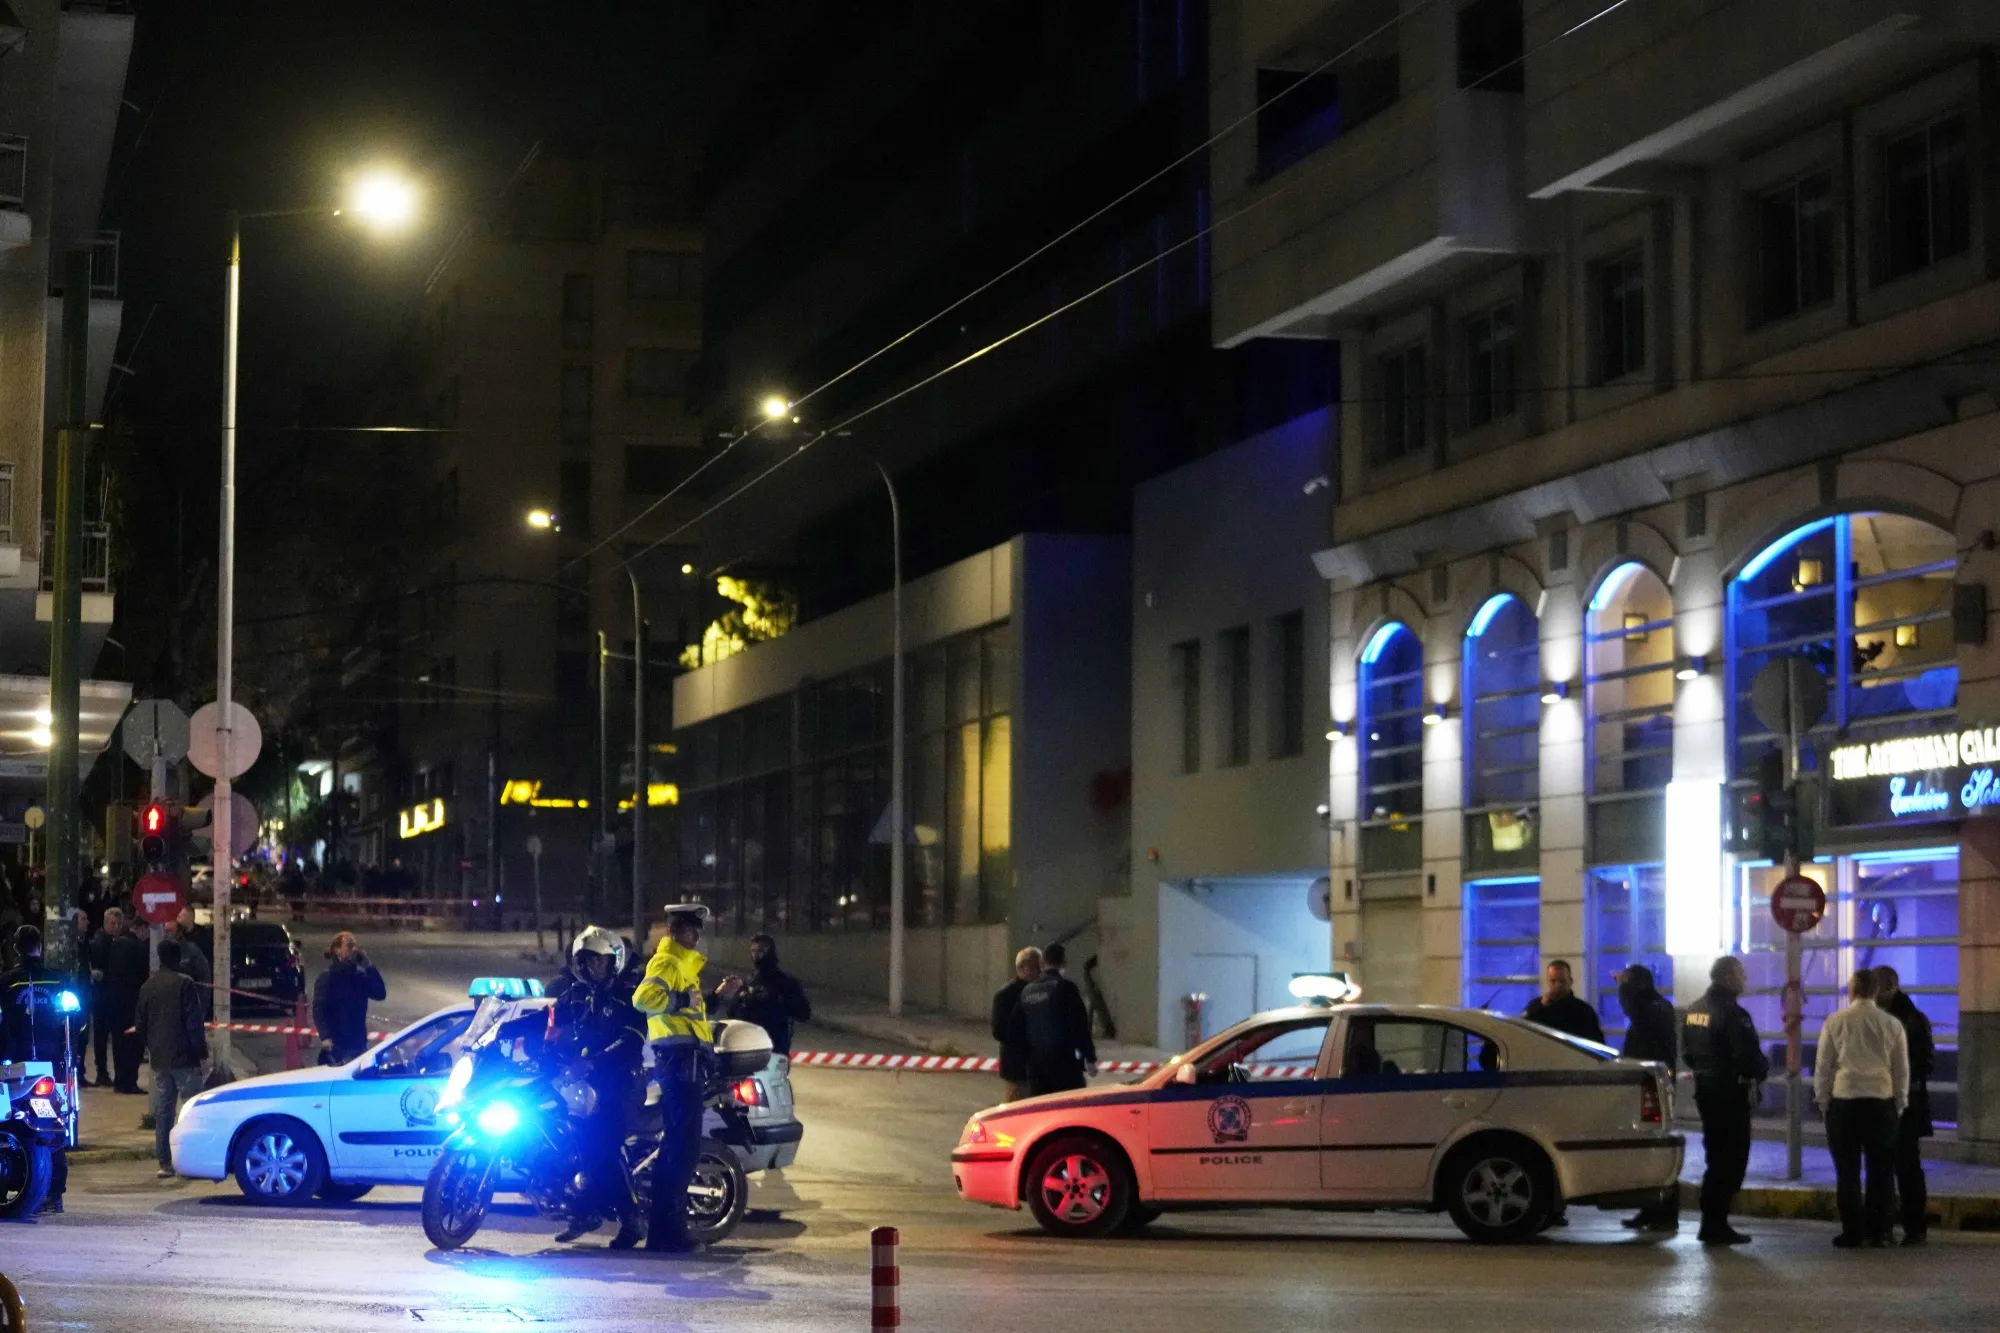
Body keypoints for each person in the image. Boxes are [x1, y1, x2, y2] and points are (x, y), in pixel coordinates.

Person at [547, 925, 647, 1248]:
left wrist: (593, 1062)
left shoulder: (628, 996)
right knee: (572, 1141)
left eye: (600, 960)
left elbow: (631, 1041)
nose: (594, 966)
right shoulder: (579, 994)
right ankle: (585, 1210)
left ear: (613, 961)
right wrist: (508, 1031)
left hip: (622, 1083)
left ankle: (632, 1219)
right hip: (588, 1085)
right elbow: (550, 1019)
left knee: (603, 1146)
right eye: (588, 960)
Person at [632, 904, 716, 1254]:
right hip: (678, 1063)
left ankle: (663, 1234)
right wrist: (681, 998)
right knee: (681, 1152)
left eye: (697, 931)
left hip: (686, 1062)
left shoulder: (684, 965)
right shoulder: (667, 961)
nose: (695, 936)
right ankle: (670, 1235)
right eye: (689, 930)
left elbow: (689, 1015)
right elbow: (643, 999)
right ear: (673, 932)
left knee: (678, 1150)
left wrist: (714, 999)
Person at [1816, 967, 1909, 1248]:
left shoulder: (1835, 1022)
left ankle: (1852, 1232)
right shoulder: (1892, 1024)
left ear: (1852, 990)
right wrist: (1899, 1103)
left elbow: (1824, 1067)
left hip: (1845, 1103)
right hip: (1881, 1103)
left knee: (1847, 1172)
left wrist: (1824, 1103)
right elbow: (1901, 1069)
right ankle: (1879, 1232)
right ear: (1876, 991)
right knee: (1881, 1172)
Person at [1682, 955, 1769, 1245]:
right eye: (1741, 974)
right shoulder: (1733, 1014)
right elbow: (1748, 1058)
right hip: (1730, 1094)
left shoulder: (1694, 1009)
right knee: (1731, 1160)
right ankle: (1715, 1223)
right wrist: (1762, 1070)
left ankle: (1712, 1222)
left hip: (1706, 1091)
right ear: (1729, 978)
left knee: (1715, 1157)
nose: (1745, 979)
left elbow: (1687, 1054)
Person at [0, 926, 74, 1212]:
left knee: (9, 1117)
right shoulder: (59, 980)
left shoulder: (6, 982)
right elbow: (76, 1021)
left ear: (15, 948)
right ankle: (55, 1194)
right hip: (53, 1062)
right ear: (40, 947)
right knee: (55, 1120)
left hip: (14, 1063)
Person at [131, 938, 210, 1179]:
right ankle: (194, 1159)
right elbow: (193, 1023)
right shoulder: (184, 984)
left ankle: (165, 1162)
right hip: (185, 1058)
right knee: (193, 1108)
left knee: (164, 1111)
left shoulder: (148, 986)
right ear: (178, 959)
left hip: (160, 1058)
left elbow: (140, 1024)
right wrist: (201, 1052)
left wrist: (152, 1046)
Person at [1616, 963, 1679, 1232]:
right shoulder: (1654, 1007)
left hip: (1654, 1089)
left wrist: (1622, 988)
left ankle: (1665, 1213)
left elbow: (1633, 1011)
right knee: (1646, 1150)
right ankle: (1650, 1210)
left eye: (1628, 983)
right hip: (1648, 1087)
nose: (1624, 990)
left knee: (1656, 1147)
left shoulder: (1653, 1009)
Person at [1873, 964, 1934, 1244]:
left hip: (1901, 1103)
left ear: (1889, 987)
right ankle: (1910, 1225)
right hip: (1903, 1102)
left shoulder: (1905, 1020)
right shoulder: (1909, 1017)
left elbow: (1923, 1063)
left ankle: (1906, 1225)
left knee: (1902, 1165)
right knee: (1903, 1165)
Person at [1009, 942, 1096, 1096]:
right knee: (1068, 1104)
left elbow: (1015, 1029)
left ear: (1043, 963)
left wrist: (1024, 1059)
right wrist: (1089, 1057)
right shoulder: (1065, 988)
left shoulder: (1027, 991)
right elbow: (1079, 1025)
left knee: (1041, 1106)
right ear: (1063, 963)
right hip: (1063, 1063)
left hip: (1036, 1066)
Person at [714, 933, 812, 1058]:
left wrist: (778, 1001)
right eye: (753, 951)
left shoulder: (785, 982)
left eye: (761, 951)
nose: (756, 955)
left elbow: (804, 1014)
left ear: (771, 952)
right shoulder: (750, 981)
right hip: (750, 1049)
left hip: (776, 1049)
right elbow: (732, 1013)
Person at [91, 907, 150, 1093]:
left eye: (118, 923)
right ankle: (125, 1081)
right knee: (129, 1043)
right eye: (113, 923)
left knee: (118, 1042)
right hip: (125, 1002)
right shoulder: (133, 947)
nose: (116, 927)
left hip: (113, 1001)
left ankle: (118, 1079)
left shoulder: (117, 944)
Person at [312, 931, 387, 1065]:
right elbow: (319, 1009)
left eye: (355, 946)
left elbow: (380, 993)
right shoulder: (328, 977)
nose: (354, 950)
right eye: (349, 946)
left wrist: (369, 967)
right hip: (337, 1044)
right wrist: (325, 1037)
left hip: (358, 1043)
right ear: (337, 950)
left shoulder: (359, 977)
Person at [991, 946, 1042, 1102]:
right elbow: (999, 1031)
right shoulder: (1006, 995)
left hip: (1039, 1070)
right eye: (1036, 967)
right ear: (1023, 967)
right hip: (1018, 1070)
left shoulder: (1042, 991)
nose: (1040, 971)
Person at [1522, 959, 1605, 1044]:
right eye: (1553, 981)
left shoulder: (1584, 1011)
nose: (1557, 985)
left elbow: (1597, 1043)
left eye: (1562, 981)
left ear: (1570, 981)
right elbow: (1523, 1032)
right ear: (1548, 981)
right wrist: (1540, 1008)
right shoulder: (1535, 1007)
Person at [166, 909, 213, 1019]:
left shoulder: (193, 948)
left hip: (191, 999)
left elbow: (203, 976)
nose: (166, 934)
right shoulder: (165, 949)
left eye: (169, 931)